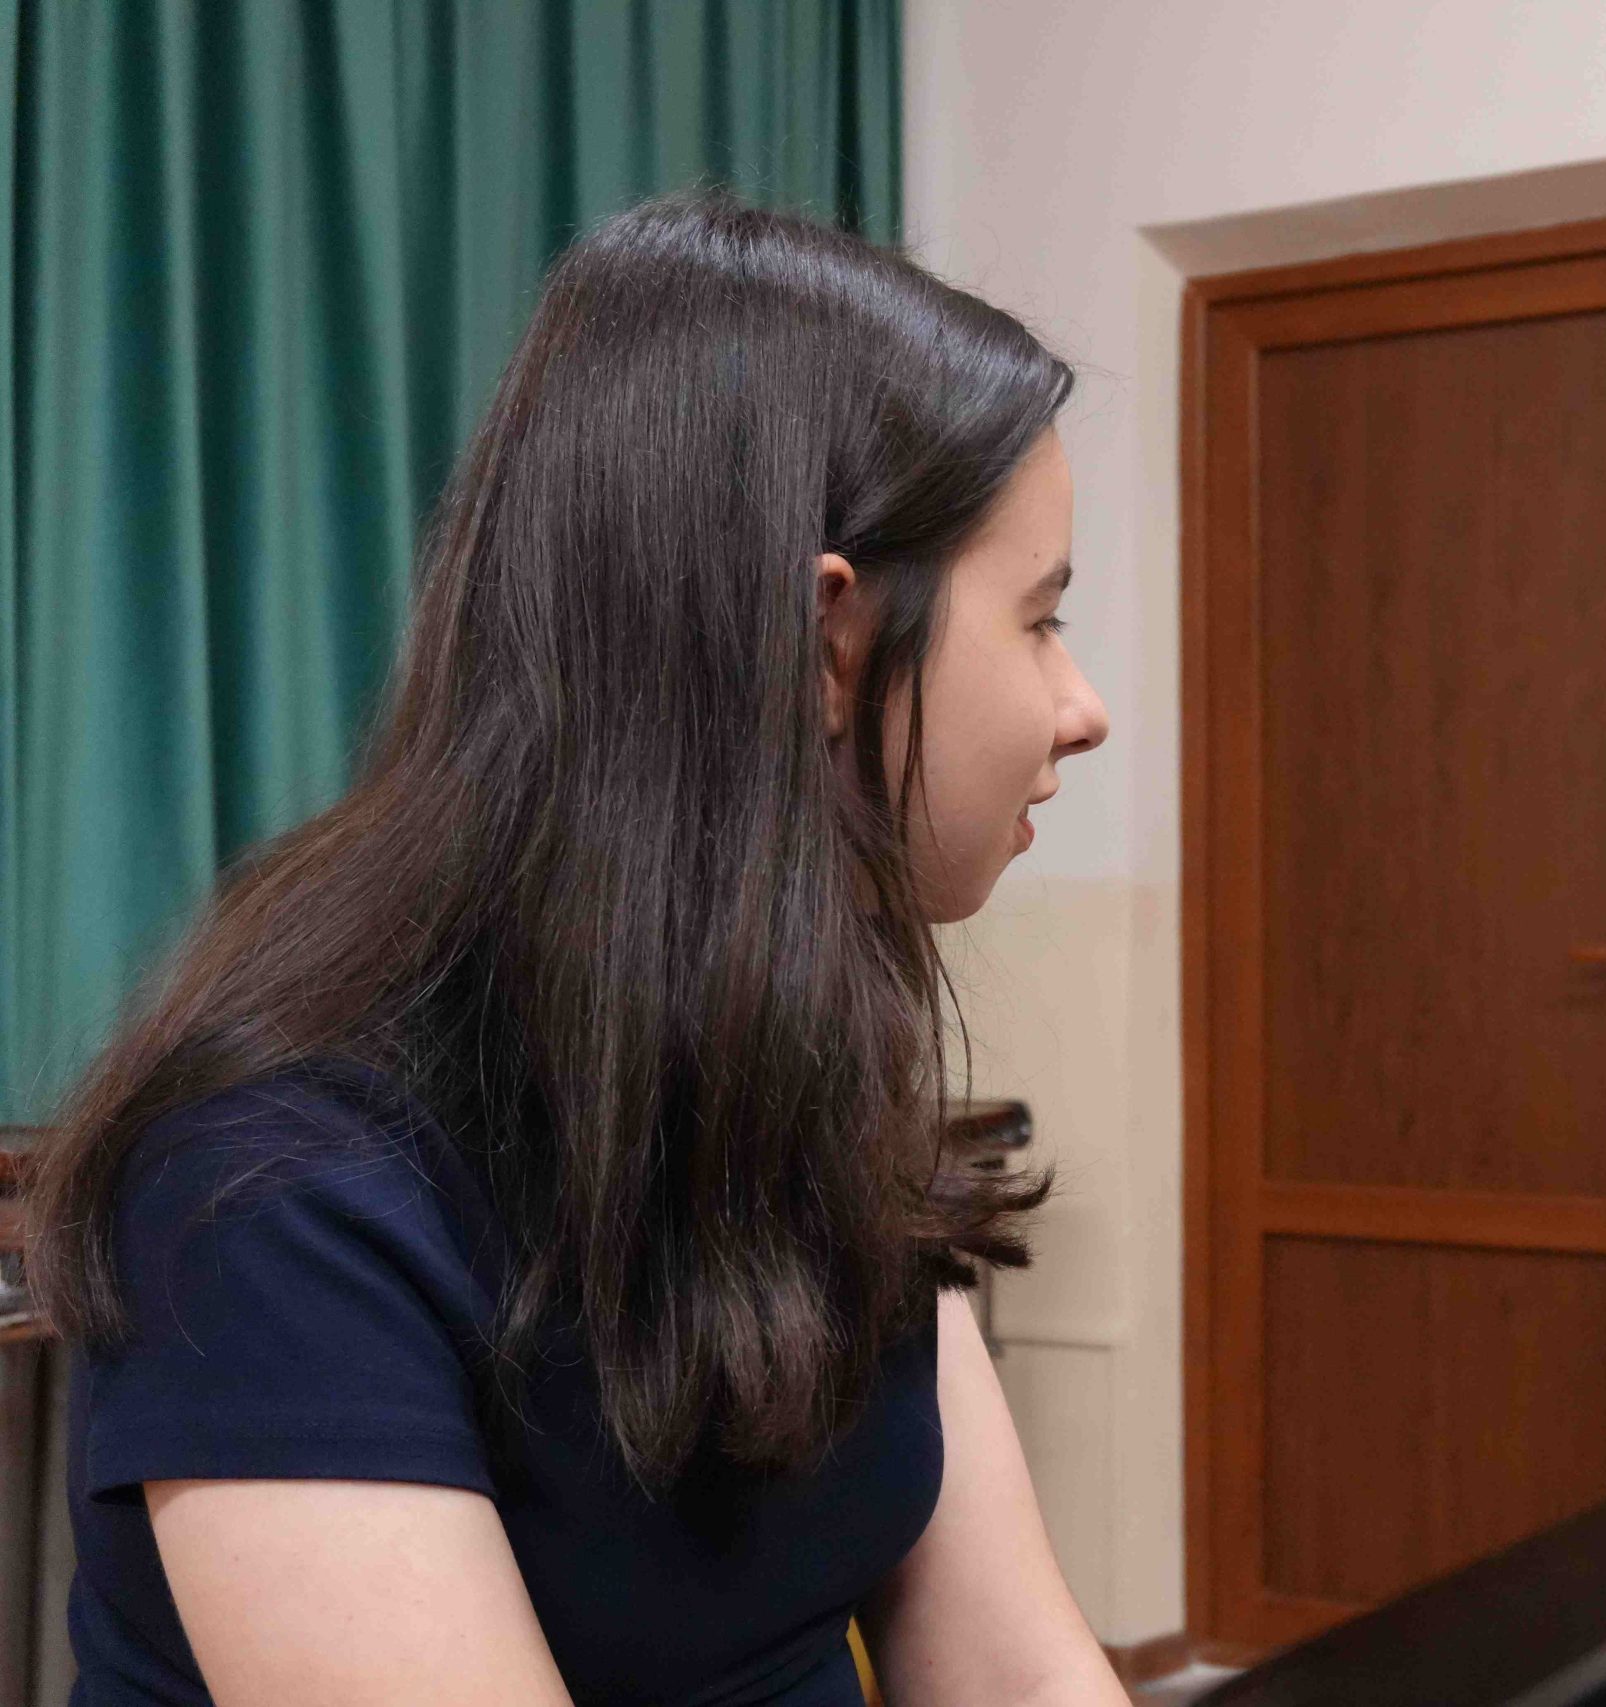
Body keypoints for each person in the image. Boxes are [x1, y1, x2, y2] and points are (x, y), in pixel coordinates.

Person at [27, 194, 1126, 1706]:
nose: (1081, 706)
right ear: (828, 642)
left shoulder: (804, 1060)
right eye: (1040, 620)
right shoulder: (275, 1186)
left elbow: (1014, 1670)